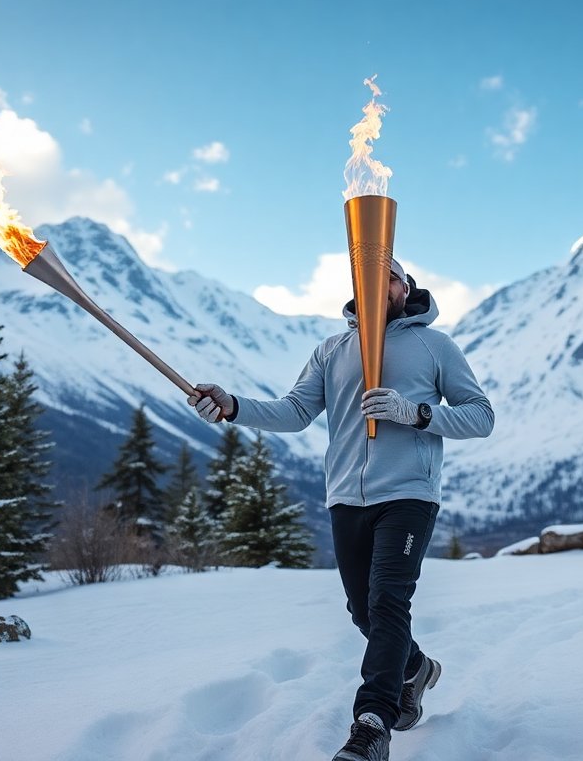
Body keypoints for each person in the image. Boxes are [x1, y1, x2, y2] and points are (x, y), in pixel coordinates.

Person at [189, 257, 494, 761]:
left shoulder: (434, 346)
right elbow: (295, 411)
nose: (380, 286)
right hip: (346, 498)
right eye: (369, 278)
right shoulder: (332, 350)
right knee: (363, 609)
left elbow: (480, 416)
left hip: (409, 495)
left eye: (390, 277)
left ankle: (373, 724)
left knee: (389, 601)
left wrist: (416, 413)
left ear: (406, 287)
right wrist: (233, 405)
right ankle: (415, 668)